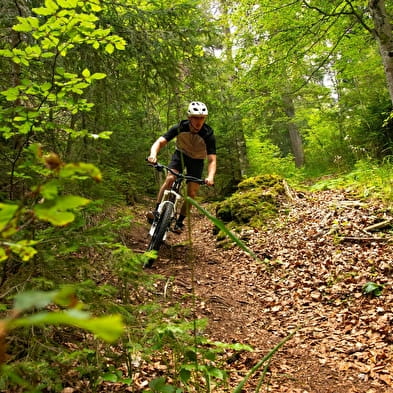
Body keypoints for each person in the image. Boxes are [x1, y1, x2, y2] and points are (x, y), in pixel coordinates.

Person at [147, 101, 216, 233]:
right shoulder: (179, 127)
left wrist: (210, 176)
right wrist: (153, 155)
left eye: (202, 118)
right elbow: (160, 141)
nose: (199, 122)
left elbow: (212, 159)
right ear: (189, 118)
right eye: (196, 117)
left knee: (191, 193)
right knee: (170, 179)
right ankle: (156, 210)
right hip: (181, 155)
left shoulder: (208, 134)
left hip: (197, 161)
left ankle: (179, 222)